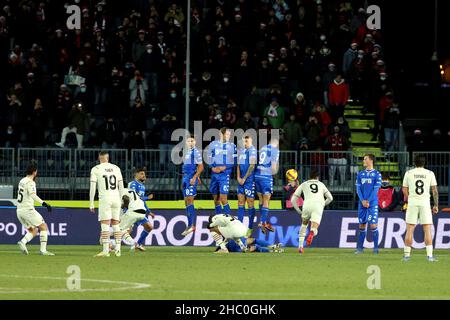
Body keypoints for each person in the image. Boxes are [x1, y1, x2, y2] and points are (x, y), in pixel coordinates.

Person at [402, 155, 439, 262]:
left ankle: (406, 256)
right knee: (427, 229)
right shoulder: (429, 173)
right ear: (424, 163)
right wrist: (436, 205)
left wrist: (411, 198)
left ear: (414, 163)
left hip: (413, 202)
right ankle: (430, 256)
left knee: (409, 229)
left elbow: (404, 190)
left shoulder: (409, 173)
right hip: (425, 203)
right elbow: (434, 191)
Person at [89, 151, 125, 257]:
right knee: (116, 224)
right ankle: (118, 250)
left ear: (99, 158)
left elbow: (92, 187)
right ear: (108, 158)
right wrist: (121, 200)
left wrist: (91, 202)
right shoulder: (116, 168)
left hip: (105, 199)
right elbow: (121, 185)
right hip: (116, 198)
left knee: (105, 224)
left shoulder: (96, 169)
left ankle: (105, 251)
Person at [291, 170, 333, 254]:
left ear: (309, 177)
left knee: (304, 225)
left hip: (306, 205)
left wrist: (299, 211)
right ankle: (312, 232)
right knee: (314, 228)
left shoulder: (304, 184)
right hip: (318, 206)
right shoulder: (321, 184)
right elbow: (330, 198)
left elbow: (293, 200)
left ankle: (300, 247)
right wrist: (322, 204)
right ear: (317, 177)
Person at [16, 163, 54, 256]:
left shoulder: (22, 180)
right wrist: (44, 203)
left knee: (33, 230)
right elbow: (33, 195)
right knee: (43, 227)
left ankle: (23, 242)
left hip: (19, 211)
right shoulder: (30, 182)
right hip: (28, 210)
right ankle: (43, 250)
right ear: (34, 172)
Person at [355, 154, 382, 254]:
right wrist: (362, 200)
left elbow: (376, 190)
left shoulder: (377, 174)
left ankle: (375, 248)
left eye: (365, 159)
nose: (363, 160)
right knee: (362, 225)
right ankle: (360, 248)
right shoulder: (360, 174)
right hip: (362, 204)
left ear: (371, 161)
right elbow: (358, 189)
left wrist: (368, 201)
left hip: (372, 204)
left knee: (373, 225)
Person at [206, 127, 236, 216]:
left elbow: (235, 161)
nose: (228, 136)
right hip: (214, 174)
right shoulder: (213, 144)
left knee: (223, 199)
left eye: (229, 134)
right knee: (216, 199)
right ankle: (218, 219)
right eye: (227, 134)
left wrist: (224, 167)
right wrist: (212, 167)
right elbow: (208, 157)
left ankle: (229, 220)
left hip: (224, 175)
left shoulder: (232, 146)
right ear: (220, 134)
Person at [255, 137, 280, 234]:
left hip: (257, 175)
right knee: (266, 200)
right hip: (266, 177)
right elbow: (273, 168)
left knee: (261, 200)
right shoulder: (275, 150)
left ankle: (263, 221)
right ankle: (262, 222)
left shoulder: (263, 148)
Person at [181, 135, 204, 237]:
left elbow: (201, 166)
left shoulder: (196, 152)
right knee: (186, 201)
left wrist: (194, 177)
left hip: (190, 178)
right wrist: (197, 176)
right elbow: (194, 166)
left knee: (190, 200)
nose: (190, 143)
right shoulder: (188, 152)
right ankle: (189, 224)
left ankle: (192, 225)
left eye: (192, 141)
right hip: (185, 177)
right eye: (189, 141)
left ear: (195, 142)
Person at [128, 168, 155, 251]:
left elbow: (141, 201)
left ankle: (138, 244)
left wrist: (149, 211)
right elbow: (134, 198)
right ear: (136, 174)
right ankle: (112, 244)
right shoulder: (132, 184)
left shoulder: (142, 186)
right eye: (142, 174)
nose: (144, 176)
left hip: (139, 211)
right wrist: (147, 197)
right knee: (127, 231)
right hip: (131, 210)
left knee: (149, 227)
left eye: (144, 174)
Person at [236, 135, 257, 237]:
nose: (245, 143)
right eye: (244, 141)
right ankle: (239, 226)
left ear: (251, 141)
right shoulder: (242, 151)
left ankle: (250, 227)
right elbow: (238, 165)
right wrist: (238, 177)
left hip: (249, 181)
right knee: (240, 202)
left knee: (250, 203)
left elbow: (252, 165)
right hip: (241, 181)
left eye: (247, 141)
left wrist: (244, 178)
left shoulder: (253, 151)